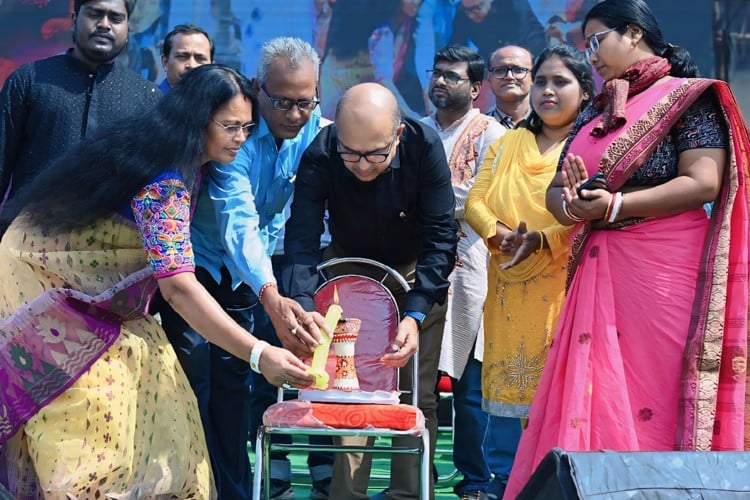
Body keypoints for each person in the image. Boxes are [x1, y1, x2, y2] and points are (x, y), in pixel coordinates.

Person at [0, 64, 318, 499]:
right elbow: (178, 288)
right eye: (230, 126)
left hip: (114, 306)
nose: (241, 138)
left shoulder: (198, 161)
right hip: (48, 293)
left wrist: (270, 295)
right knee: (90, 431)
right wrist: (260, 354)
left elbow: (239, 224)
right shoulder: (163, 182)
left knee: (166, 411)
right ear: (195, 120)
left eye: (247, 127)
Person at [504, 0, 750, 497]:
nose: (588, 54)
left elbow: (704, 181)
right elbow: (558, 190)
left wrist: (614, 205)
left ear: (633, 33)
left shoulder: (689, 97)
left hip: (664, 274)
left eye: (595, 40)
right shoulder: (597, 108)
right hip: (600, 268)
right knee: (594, 394)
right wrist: (573, 207)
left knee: (654, 392)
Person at [158, 36, 333, 500]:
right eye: (282, 103)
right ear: (258, 88)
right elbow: (238, 222)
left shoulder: (316, 126)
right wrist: (271, 295)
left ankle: (232, 490)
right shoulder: (226, 138)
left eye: (305, 102)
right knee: (194, 386)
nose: (295, 115)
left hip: (249, 278)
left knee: (235, 395)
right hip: (194, 270)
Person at [281, 82, 458, 500]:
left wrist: (415, 314)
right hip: (351, 273)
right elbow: (301, 238)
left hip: (415, 275)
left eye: (376, 154)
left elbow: (441, 237)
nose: (361, 165)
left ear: (397, 134)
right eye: (351, 153)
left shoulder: (424, 146)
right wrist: (305, 306)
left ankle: (408, 494)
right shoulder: (322, 152)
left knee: (417, 395)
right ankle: (348, 494)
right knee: (352, 389)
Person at [465, 44, 594, 499]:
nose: (548, 91)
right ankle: (505, 483)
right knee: (504, 396)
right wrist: (498, 234)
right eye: (542, 81)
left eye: (561, 82)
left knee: (560, 398)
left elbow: (586, 217)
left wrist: (539, 240)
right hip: (507, 288)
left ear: (585, 90)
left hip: (566, 288)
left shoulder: (588, 146)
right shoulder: (507, 143)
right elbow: (475, 202)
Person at [419, 45, 506, 500]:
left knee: (471, 387)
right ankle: (417, 479)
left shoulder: (491, 133)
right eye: (436, 74)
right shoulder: (415, 130)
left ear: (475, 88)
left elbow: (482, 197)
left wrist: (430, 200)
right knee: (420, 381)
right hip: (423, 267)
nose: (440, 82)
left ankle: (475, 479)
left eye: (452, 77)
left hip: (472, 268)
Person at [0, 0, 160, 217]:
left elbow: (153, 187)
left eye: (116, 18)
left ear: (127, 27)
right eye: (95, 14)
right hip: (27, 241)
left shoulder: (147, 99)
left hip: (110, 246)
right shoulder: (29, 80)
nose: (104, 24)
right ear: (74, 20)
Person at [450, 0, 547, 66]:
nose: (470, 15)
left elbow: (522, 38)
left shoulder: (514, 4)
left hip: (530, 46)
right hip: (490, 50)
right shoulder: (463, 10)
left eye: (476, 8)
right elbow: (457, 43)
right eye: (467, 10)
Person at [485, 45, 534, 129]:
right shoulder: (476, 131)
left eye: (519, 70)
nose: (509, 76)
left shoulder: (550, 126)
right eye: (500, 70)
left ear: (533, 77)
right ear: (489, 78)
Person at [158, 23, 214, 94]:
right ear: (165, 62)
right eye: (182, 57)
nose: (192, 65)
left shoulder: (221, 103)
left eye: (200, 58)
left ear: (212, 68)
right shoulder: (147, 102)